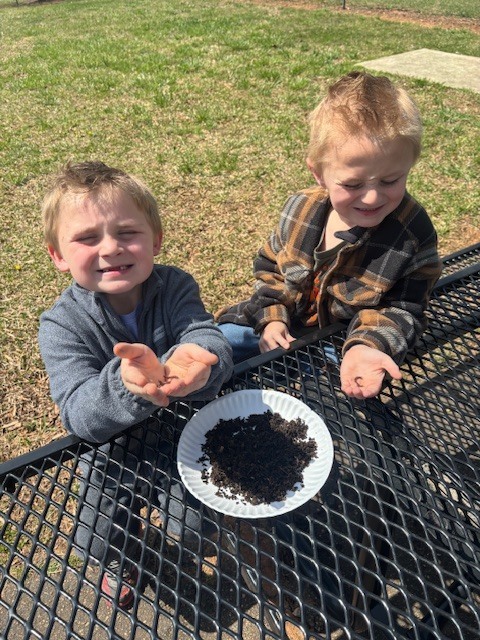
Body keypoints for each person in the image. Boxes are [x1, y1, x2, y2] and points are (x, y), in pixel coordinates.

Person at [38, 161, 233, 609]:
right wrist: (127, 385)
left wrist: (202, 364)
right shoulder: (60, 326)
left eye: (127, 233)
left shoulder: (176, 286)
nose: (110, 248)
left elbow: (205, 339)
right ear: (58, 255)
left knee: (194, 530)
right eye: (87, 238)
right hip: (112, 451)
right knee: (98, 539)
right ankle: (121, 559)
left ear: (155, 240)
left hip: (184, 433)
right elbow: (78, 415)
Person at [216, 71, 442, 400]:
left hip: (340, 341)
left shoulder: (412, 234)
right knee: (216, 342)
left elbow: (404, 309)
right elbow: (270, 267)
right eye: (352, 184)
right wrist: (271, 318)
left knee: (351, 397)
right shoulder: (300, 209)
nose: (372, 197)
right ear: (319, 173)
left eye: (391, 181)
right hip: (284, 321)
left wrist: (368, 346)